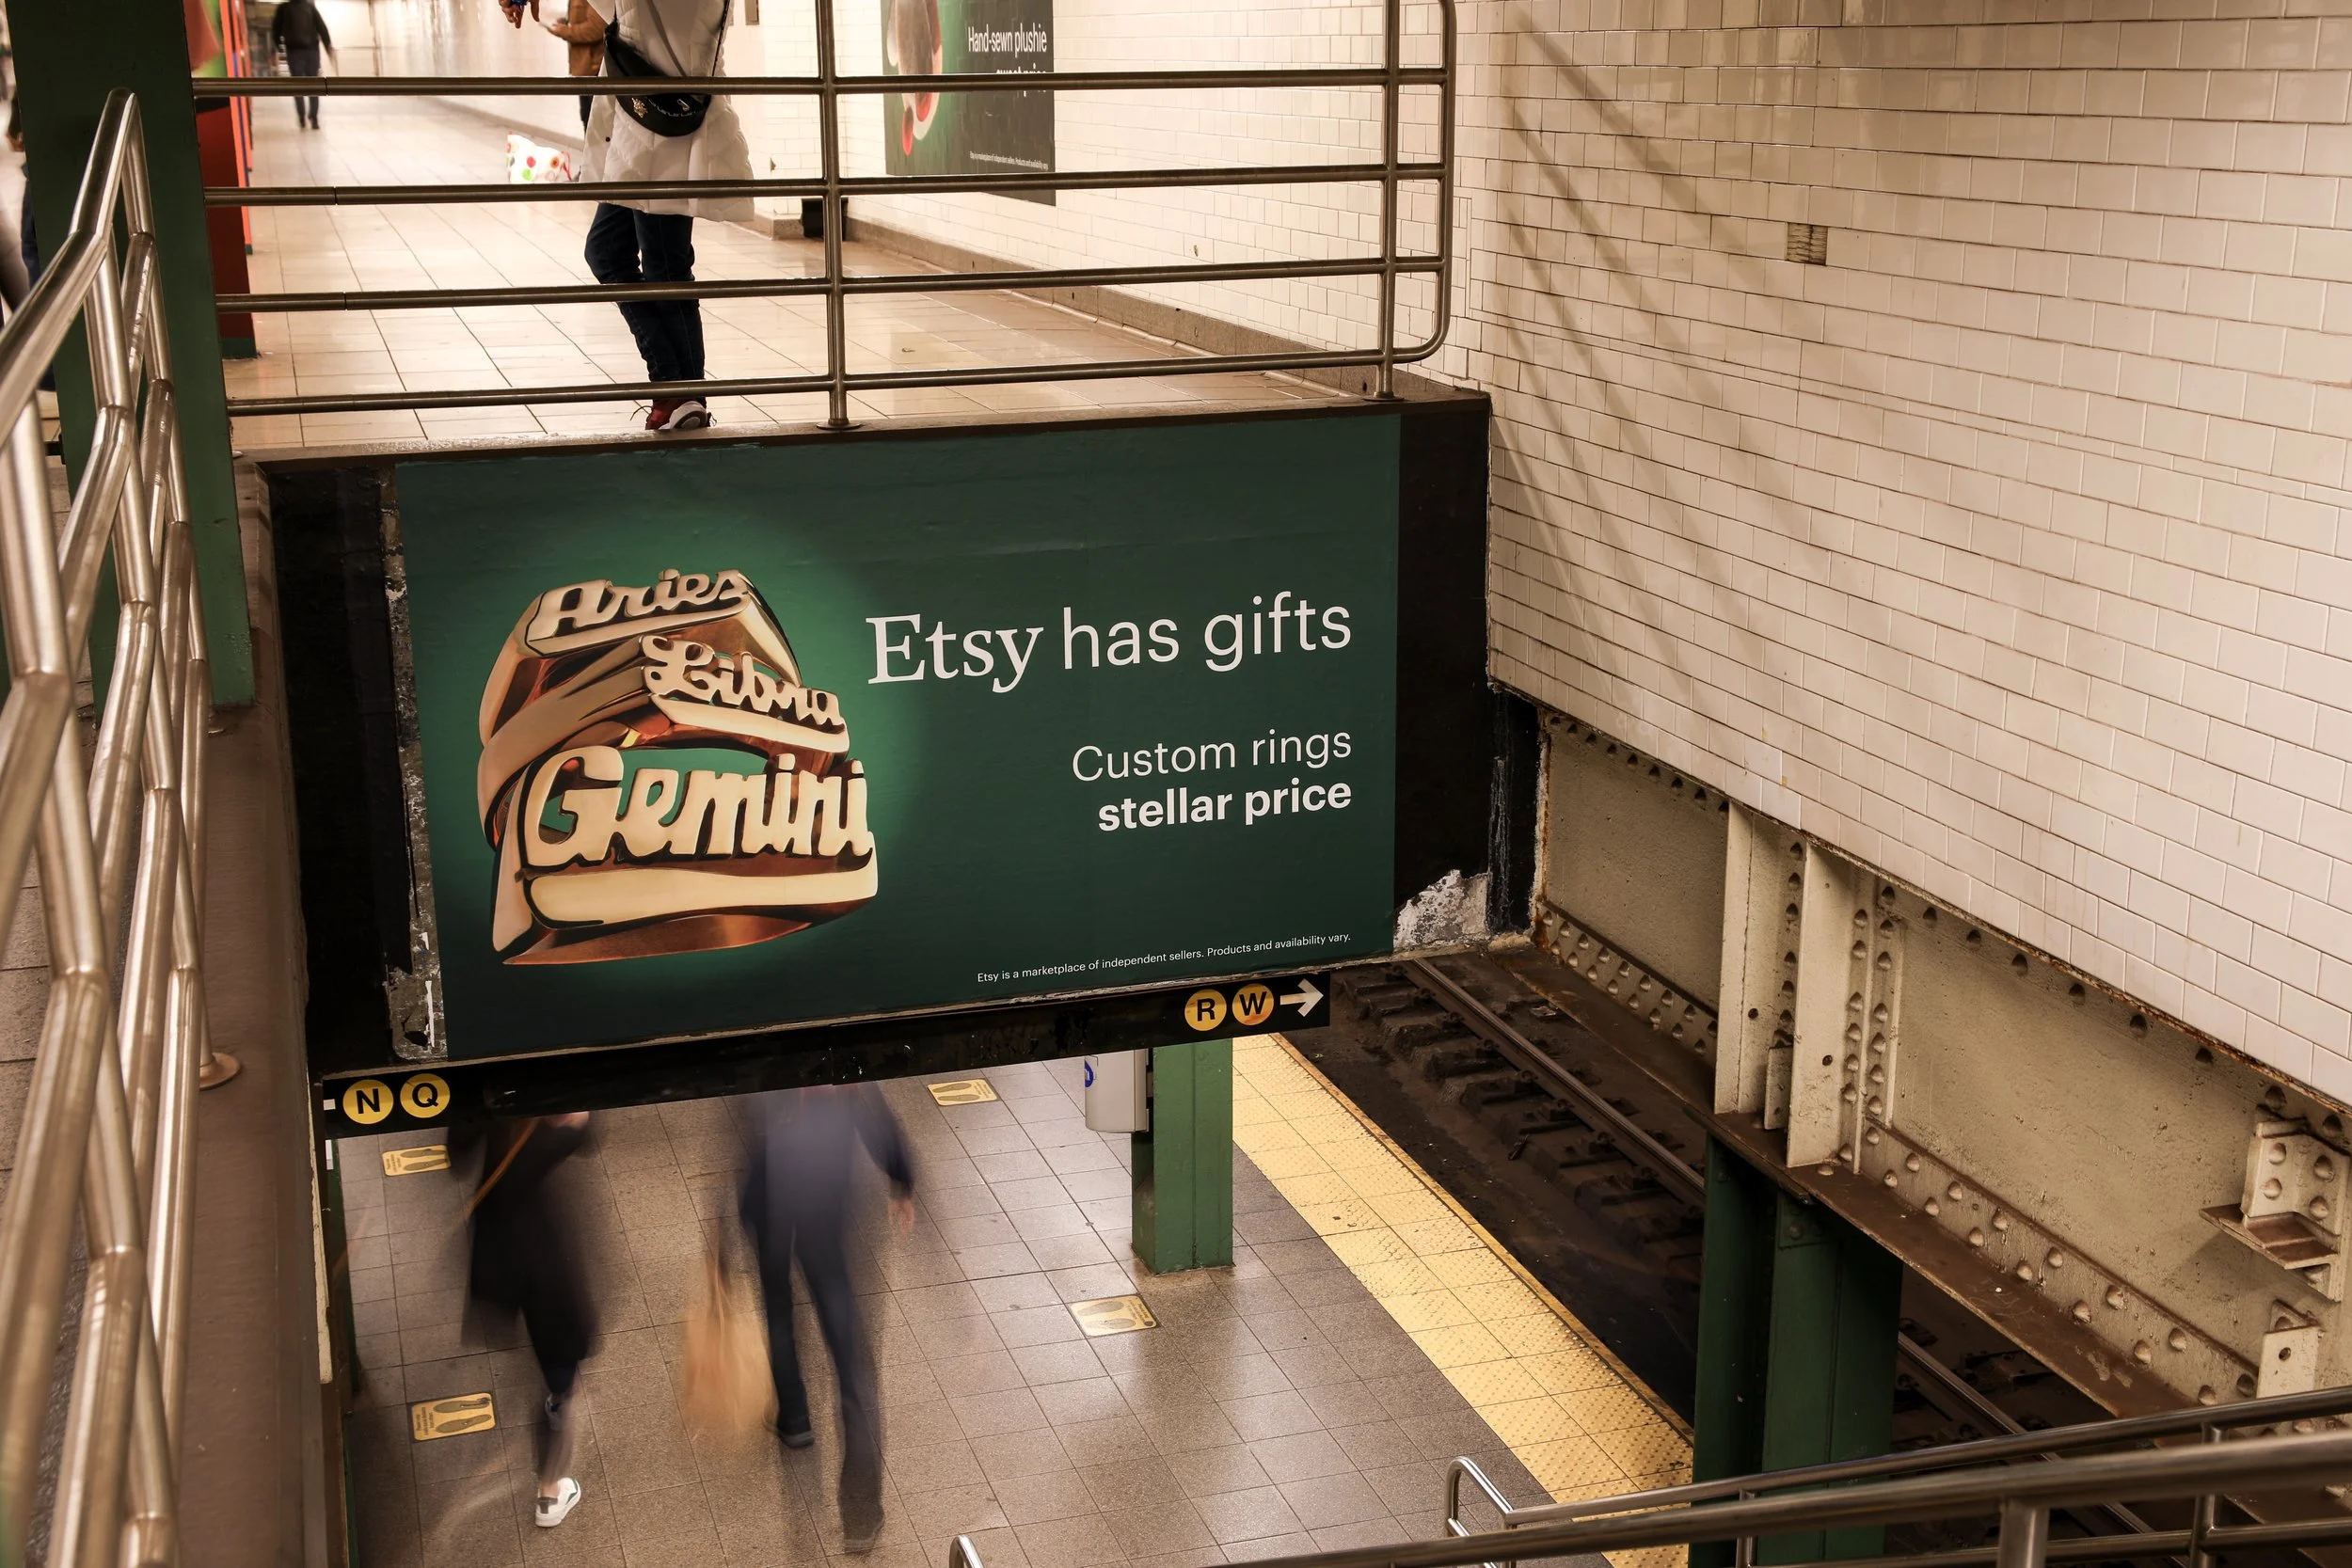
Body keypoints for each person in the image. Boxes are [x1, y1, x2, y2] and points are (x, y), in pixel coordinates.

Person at [739, 1086, 915, 1555]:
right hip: (826, 1215)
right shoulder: (845, 1073)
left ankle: (795, 1418)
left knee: (778, 1309)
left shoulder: (770, 1064)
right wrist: (901, 1181)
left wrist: (738, 1213)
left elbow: (748, 1131)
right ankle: (860, 1514)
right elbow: (878, 1119)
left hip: (773, 1208)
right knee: (851, 1362)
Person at [567, 0, 753, 433]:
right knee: (610, 253)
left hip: (657, 131)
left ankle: (682, 394)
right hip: (649, 130)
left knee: (664, 266)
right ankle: (676, 387)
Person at [454, 1113, 598, 1529]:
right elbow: (581, 1131)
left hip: (497, 1267)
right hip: (542, 1283)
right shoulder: (534, 1157)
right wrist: (570, 1126)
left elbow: (458, 1143)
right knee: (561, 1377)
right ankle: (550, 1494)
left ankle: (554, 1406)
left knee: (549, 1362)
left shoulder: (492, 1123)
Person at [272, 0, 336, 129]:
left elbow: (276, 30)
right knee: (315, 85)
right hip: (311, 51)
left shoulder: (283, 8)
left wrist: (278, 48)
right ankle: (314, 118)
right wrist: (328, 47)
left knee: (297, 86)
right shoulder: (310, 7)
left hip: (293, 51)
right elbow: (322, 27)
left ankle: (301, 116)